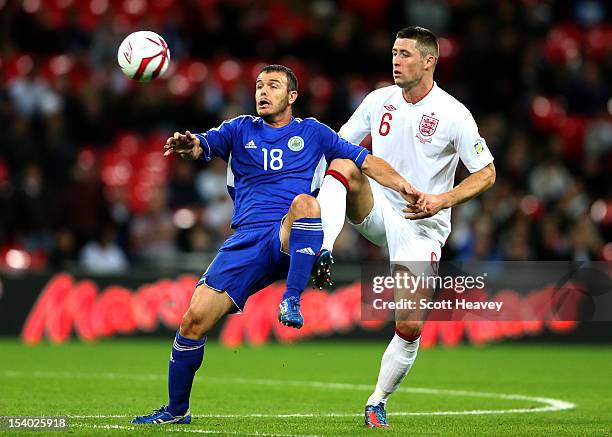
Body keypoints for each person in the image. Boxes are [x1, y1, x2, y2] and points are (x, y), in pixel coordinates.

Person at [132, 64, 426, 425]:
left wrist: (404, 186)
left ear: (292, 96)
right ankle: (177, 411)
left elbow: (364, 161)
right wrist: (189, 145)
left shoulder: (313, 132)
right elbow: (202, 146)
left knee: (307, 203)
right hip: (246, 241)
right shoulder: (240, 129)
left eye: (273, 85)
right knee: (192, 322)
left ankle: (292, 299)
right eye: (258, 85)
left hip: (291, 233)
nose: (262, 91)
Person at [315, 27, 496, 428]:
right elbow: (337, 144)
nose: (396, 61)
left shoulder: (453, 114)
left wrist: (440, 200)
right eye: (394, 52)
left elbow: (486, 173)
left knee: (410, 324)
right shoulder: (378, 100)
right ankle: (321, 248)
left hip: (422, 224)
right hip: (379, 206)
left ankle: (377, 401)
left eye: (406, 54)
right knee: (345, 163)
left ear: (429, 61)